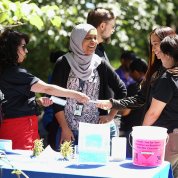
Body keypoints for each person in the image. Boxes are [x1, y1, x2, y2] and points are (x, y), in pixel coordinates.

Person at [96, 27, 177, 177]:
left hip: (165, 138)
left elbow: (152, 112)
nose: (154, 49)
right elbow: (140, 98)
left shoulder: (169, 75)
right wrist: (113, 103)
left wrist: (141, 135)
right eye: (151, 45)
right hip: (162, 138)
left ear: (169, 43)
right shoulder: (157, 71)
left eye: (156, 44)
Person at [0, 29, 89, 150]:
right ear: (12, 48)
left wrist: (36, 102)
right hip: (20, 130)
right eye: (23, 46)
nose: (26, 51)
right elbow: (47, 88)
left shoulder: (5, 72)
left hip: (14, 128)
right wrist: (76, 94)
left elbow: (10, 102)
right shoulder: (15, 73)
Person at [50, 23, 127, 151]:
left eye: (95, 38)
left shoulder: (100, 63)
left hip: (95, 133)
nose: (93, 42)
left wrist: (110, 116)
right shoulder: (63, 62)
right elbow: (55, 98)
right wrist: (64, 128)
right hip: (68, 132)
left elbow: (121, 90)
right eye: (88, 38)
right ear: (77, 39)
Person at [142, 35, 178, 178]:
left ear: (169, 55)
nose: (159, 57)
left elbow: (153, 113)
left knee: (159, 174)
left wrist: (142, 133)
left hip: (171, 138)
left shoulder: (168, 79)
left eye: (162, 53)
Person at [119, 58, 148, 157]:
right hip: (147, 129)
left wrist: (114, 111)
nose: (130, 75)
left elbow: (125, 111)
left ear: (135, 72)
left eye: (131, 72)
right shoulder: (152, 86)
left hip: (131, 130)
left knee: (130, 160)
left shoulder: (134, 87)